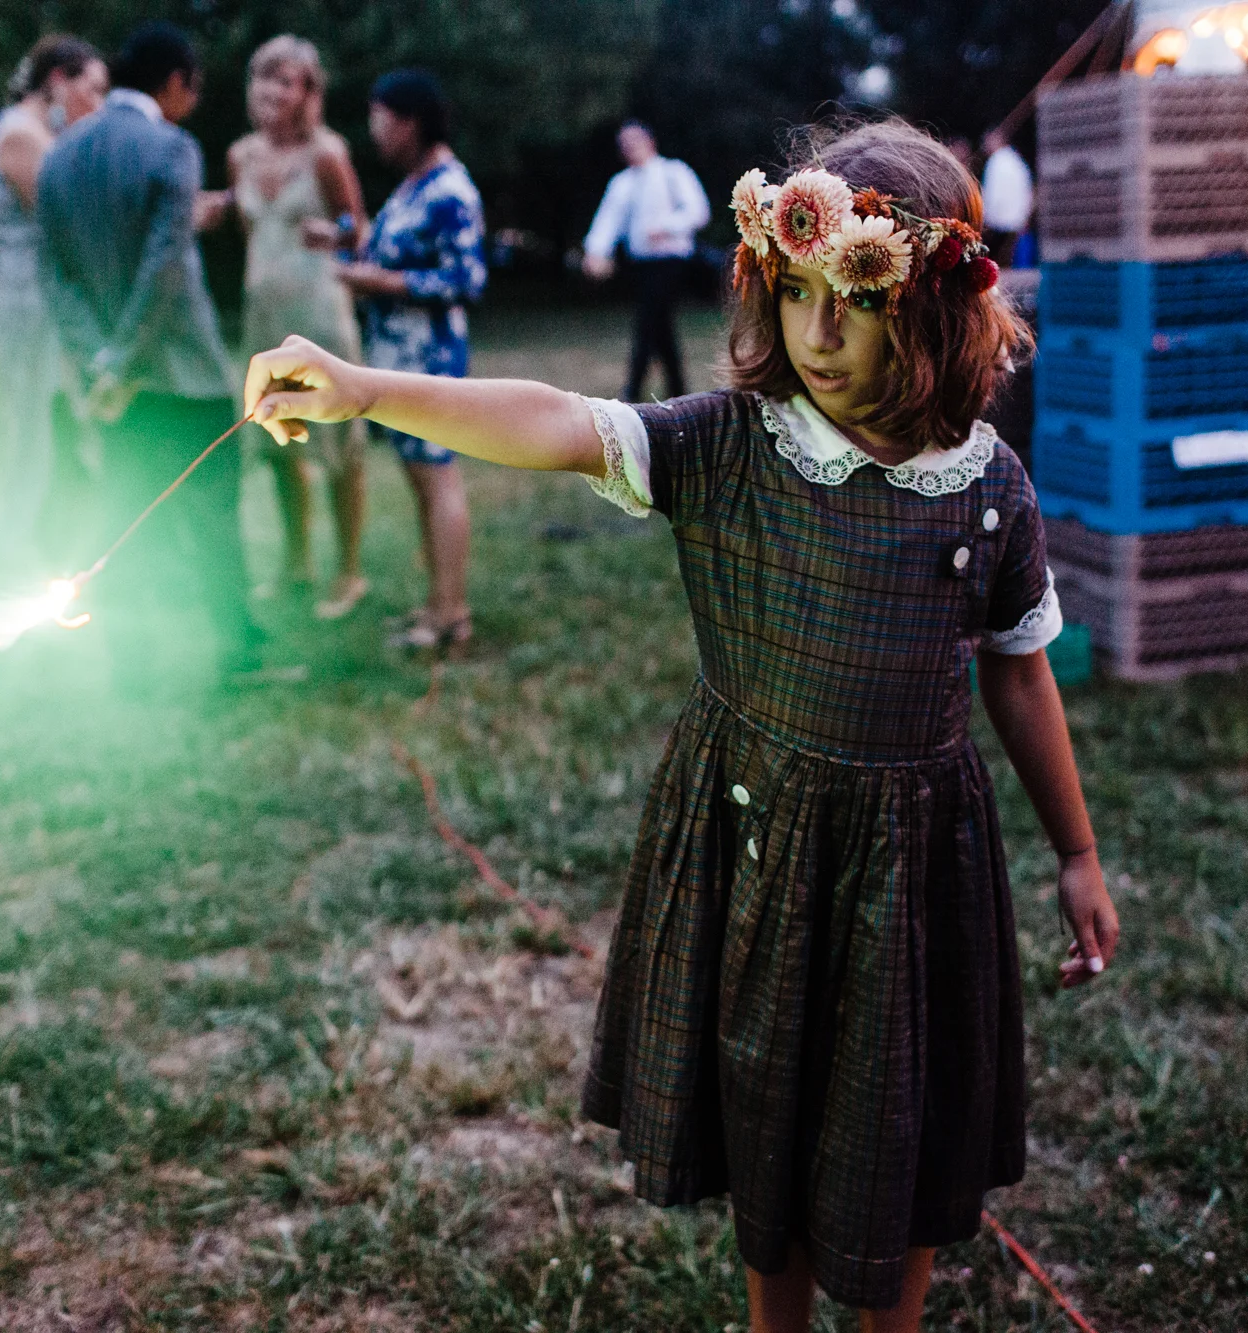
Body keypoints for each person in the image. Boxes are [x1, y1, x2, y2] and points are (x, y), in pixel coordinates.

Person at [246, 120, 1119, 1332]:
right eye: (795, 292)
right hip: (756, 850)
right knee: (766, 1098)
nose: (817, 334)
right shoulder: (727, 448)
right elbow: (554, 419)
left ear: (931, 306)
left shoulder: (985, 489)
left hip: (910, 874)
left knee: (893, 1118)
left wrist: (1073, 851)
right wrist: (366, 388)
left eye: (853, 302)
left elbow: (1021, 672)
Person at [37, 22, 263, 687]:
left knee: (125, 520)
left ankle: (133, 666)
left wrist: (100, 360)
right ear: (173, 81)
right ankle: (238, 651)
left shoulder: (57, 156)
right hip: (185, 376)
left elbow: (57, 280)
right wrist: (126, 358)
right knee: (214, 512)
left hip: (116, 389)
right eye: (192, 86)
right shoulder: (171, 147)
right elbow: (164, 270)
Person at [333, 69, 486, 651]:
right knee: (419, 484)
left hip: (431, 358)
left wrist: (376, 280)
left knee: (438, 479)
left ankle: (452, 614)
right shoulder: (414, 184)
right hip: (399, 358)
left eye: (380, 120)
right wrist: (345, 239)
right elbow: (390, 246)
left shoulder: (451, 189)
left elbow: (466, 279)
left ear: (409, 121)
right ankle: (435, 605)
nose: (374, 133)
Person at [227, 35, 371, 618]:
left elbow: (358, 230)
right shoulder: (240, 155)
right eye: (264, 76)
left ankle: (349, 572)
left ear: (308, 93)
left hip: (320, 315)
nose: (271, 89)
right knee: (280, 442)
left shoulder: (327, 154)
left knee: (339, 445)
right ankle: (296, 564)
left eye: (286, 80)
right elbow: (250, 237)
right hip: (265, 315)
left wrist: (335, 235)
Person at [0, 35, 107, 556]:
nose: (97, 105)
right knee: (33, 421)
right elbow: (68, 218)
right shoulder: (20, 136)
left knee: (54, 419)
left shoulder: (38, 133)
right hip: (27, 295)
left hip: (46, 291)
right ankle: (16, 541)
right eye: (92, 90)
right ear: (58, 81)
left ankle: (47, 532)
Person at [582, 121, 710, 400]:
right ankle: (679, 391)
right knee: (660, 329)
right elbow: (608, 220)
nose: (629, 149)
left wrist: (666, 226)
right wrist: (595, 252)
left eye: (634, 142)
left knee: (648, 323)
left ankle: (632, 391)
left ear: (650, 142)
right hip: (642, 265)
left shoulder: (673, 172)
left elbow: (698, 211)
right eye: (624, 145)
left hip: (671, 261)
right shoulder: (622, 183)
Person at [979, 128, 1032, 266]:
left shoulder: (995, 162)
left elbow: (993, 193)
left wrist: (986, 217)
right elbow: (1027, 190)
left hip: (1000, 221)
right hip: (1017, 220)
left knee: (999, 264)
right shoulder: (1017, 160)